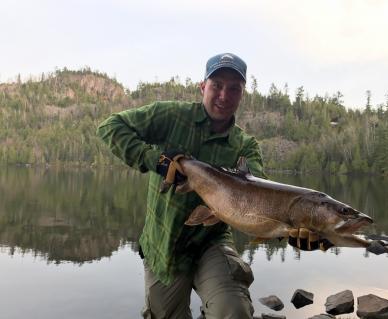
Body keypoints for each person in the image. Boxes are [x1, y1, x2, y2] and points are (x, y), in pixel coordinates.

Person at [97, 53, 329, 319]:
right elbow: (110, 127)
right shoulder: (171, 116)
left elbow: (261, 202)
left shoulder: (245, 147)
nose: (223, 95)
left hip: (212, 242)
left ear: (242, 95)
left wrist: (295, 233)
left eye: (234, 88)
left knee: (234, 311)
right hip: (163, 243)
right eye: (217, 85)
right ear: (202, 87)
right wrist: (156, 161)